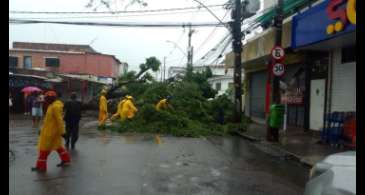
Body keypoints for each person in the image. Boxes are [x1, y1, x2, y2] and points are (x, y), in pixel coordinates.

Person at [31, 91, 71, 172]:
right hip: (51, 131)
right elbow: (47, 121)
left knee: (44, 149)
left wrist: (63, 132)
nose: (46, 100)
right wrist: (41, 129)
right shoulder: (51, 105)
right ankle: (66, 160)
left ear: (52, 98)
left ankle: (41, 167)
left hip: (50, 133)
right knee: (58, 146)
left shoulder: (55, 107)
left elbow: (59, 120)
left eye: (47, 98)